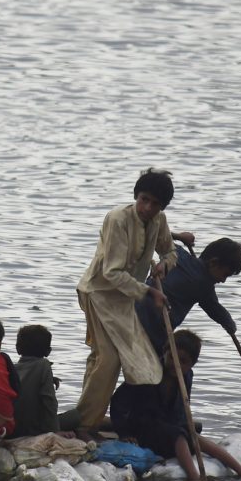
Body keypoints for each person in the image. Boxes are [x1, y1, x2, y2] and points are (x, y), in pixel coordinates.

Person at [72, 168, 179, 432]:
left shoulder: (158, 221)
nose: (147, 207)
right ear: (136, 196)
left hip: (123, 299)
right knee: (109, 359)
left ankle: (87, 416)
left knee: (103, 358)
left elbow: (170, 250)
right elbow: (112, 272)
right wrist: (148, 292)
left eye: (154, 204)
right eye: (143, 199)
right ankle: (85, 423)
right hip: (98, 293)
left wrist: (165, 264)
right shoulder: (117, 219)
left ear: (161, 207)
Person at [109, 329, 241, 481]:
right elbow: (118, 402)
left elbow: (181, 409)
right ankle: (194, 478)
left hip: (167, 427)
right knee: (179, 435)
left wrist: (185, 427)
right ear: (164, 352)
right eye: (172, 357)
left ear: (192, 364)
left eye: (183, 361)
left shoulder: (187, 376)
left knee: (193, 435)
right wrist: (124, 432)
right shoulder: (148, 373)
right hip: (145, 429)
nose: (177, 364)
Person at [136, 237, 241, 353]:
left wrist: (179, 237)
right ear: (213, 263)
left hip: (134, 307)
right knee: (161, 362)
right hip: (153, 329)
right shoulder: (203, 285)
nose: (223, 281)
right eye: (225, 275)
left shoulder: (178, 253)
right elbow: (214, 308)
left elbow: (158, 236)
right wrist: (229, 324)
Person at [12, 324, 60, 436]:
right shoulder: (44, 365)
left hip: (13, 428)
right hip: (35, 430)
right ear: (48, 351)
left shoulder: (11, 368)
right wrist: (55, 432)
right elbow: (49, 402)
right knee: (75, 417)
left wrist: (50, 379)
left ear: (17, 348)